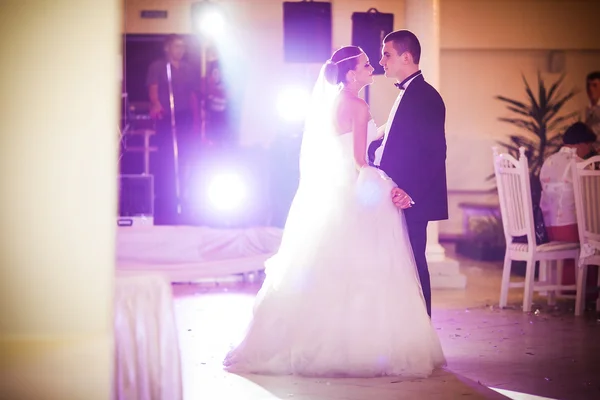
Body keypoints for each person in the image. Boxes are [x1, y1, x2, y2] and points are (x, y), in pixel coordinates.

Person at [223, 46, 445, 377]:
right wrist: (382, 186)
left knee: (333, 266)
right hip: (354, 187)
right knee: (367, 266)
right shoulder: (357, 104)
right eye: (367, 64)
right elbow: (359, 160)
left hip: (336, 190)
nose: (374, 67)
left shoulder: (336, 103)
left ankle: (322, 338)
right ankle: (363, 343)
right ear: (352, 73)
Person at [372, 30, 449, 317]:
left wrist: (410, 193)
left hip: (410, 198)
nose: (382, 61)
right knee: (401, 265)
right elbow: (395, 144)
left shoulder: (426, 97)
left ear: (406, 57)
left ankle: (422, 332)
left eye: (387, 54)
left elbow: (434, 153)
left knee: (415, 264)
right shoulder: (408, 93)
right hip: (394, 194)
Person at [146, 34, 201, 224]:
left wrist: (197, 119)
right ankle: (166, 199)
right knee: (166, 157)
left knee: (185, 156)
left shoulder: (187, 69)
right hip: (166, 116)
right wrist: (155, 104)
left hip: (184, 115)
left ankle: (184, 196)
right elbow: (153, 89)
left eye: (183, 47)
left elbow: (193, 94)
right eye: (177, 46)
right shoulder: (158, 67)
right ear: (167, 48)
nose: (181, 50)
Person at [540, 122, 598, 293]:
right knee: (594, 233)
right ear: (581, 143)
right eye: (589, 145)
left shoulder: (548, 161)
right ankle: (588, 291)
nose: (589, 150)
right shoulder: (580, 164)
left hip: (549, 229)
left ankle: (569, 288)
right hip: (570, 231)